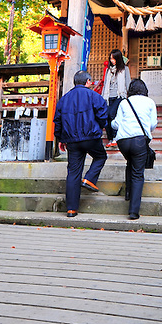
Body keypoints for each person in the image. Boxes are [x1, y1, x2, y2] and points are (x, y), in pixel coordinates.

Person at [53, 70, 108, 218]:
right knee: (100, 157)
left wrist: (60, 138)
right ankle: (89, 179)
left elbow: (57, 121)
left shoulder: (64, 99)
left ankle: (71, 209)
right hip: (90, 137)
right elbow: (103, 115)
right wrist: (101, 126)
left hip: (71, 140)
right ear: (88, 82)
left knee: (73, 172)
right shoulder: (94, 96)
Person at [111, 78, 157, 220]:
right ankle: (133, 211)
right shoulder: (149, 102)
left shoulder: (124, 102)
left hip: (123, 141)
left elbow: (116, 124)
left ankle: (128, 193)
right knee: (138, 173)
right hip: (139, 140)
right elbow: (153, 124)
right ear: (144, 90)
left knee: (130, 162)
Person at [100, 48, 130, 146]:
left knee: (112, 114)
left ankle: (115, 137)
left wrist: (129, 97)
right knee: (106, 117)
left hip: (119, 96)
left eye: (114, 58)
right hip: (108, 96)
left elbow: (128, 83)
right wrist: (102, 97)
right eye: (111, 58)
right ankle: (110, 138)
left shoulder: (125, 69)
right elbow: (105, 85)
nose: (112, 60)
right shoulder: (109, 70)